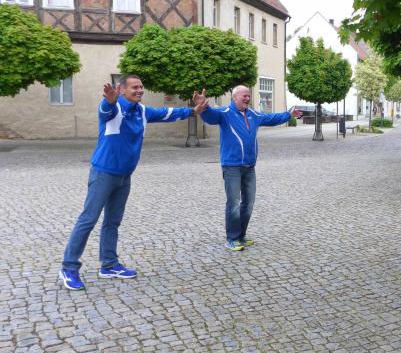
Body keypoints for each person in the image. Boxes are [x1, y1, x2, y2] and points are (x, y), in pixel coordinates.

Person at [59, 75, 208, 290]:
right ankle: (69, 267)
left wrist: (193, 110)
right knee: (88, 219)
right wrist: (109, 101)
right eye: (134, 87)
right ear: (122, 90)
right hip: (103, 173)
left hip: (124, 176)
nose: (139, 90)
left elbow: (167, 113)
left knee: (113, 222)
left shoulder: (143, 111)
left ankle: (109, 265)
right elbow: (105, 110)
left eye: (141, 87)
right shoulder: (114, 108)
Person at [194, 86, 301, 251]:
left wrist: (288, 115)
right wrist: (204, 108)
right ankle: (231, 238)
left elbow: (271, 118)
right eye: (244, 96)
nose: (247, 98)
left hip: (250, 167)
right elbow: (210, 116)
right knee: (233, 203)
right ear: (234, 97)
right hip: (232, 167)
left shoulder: (253, 115)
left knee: (248, 203)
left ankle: (241, 235)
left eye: (249, 96)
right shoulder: (224, 113)